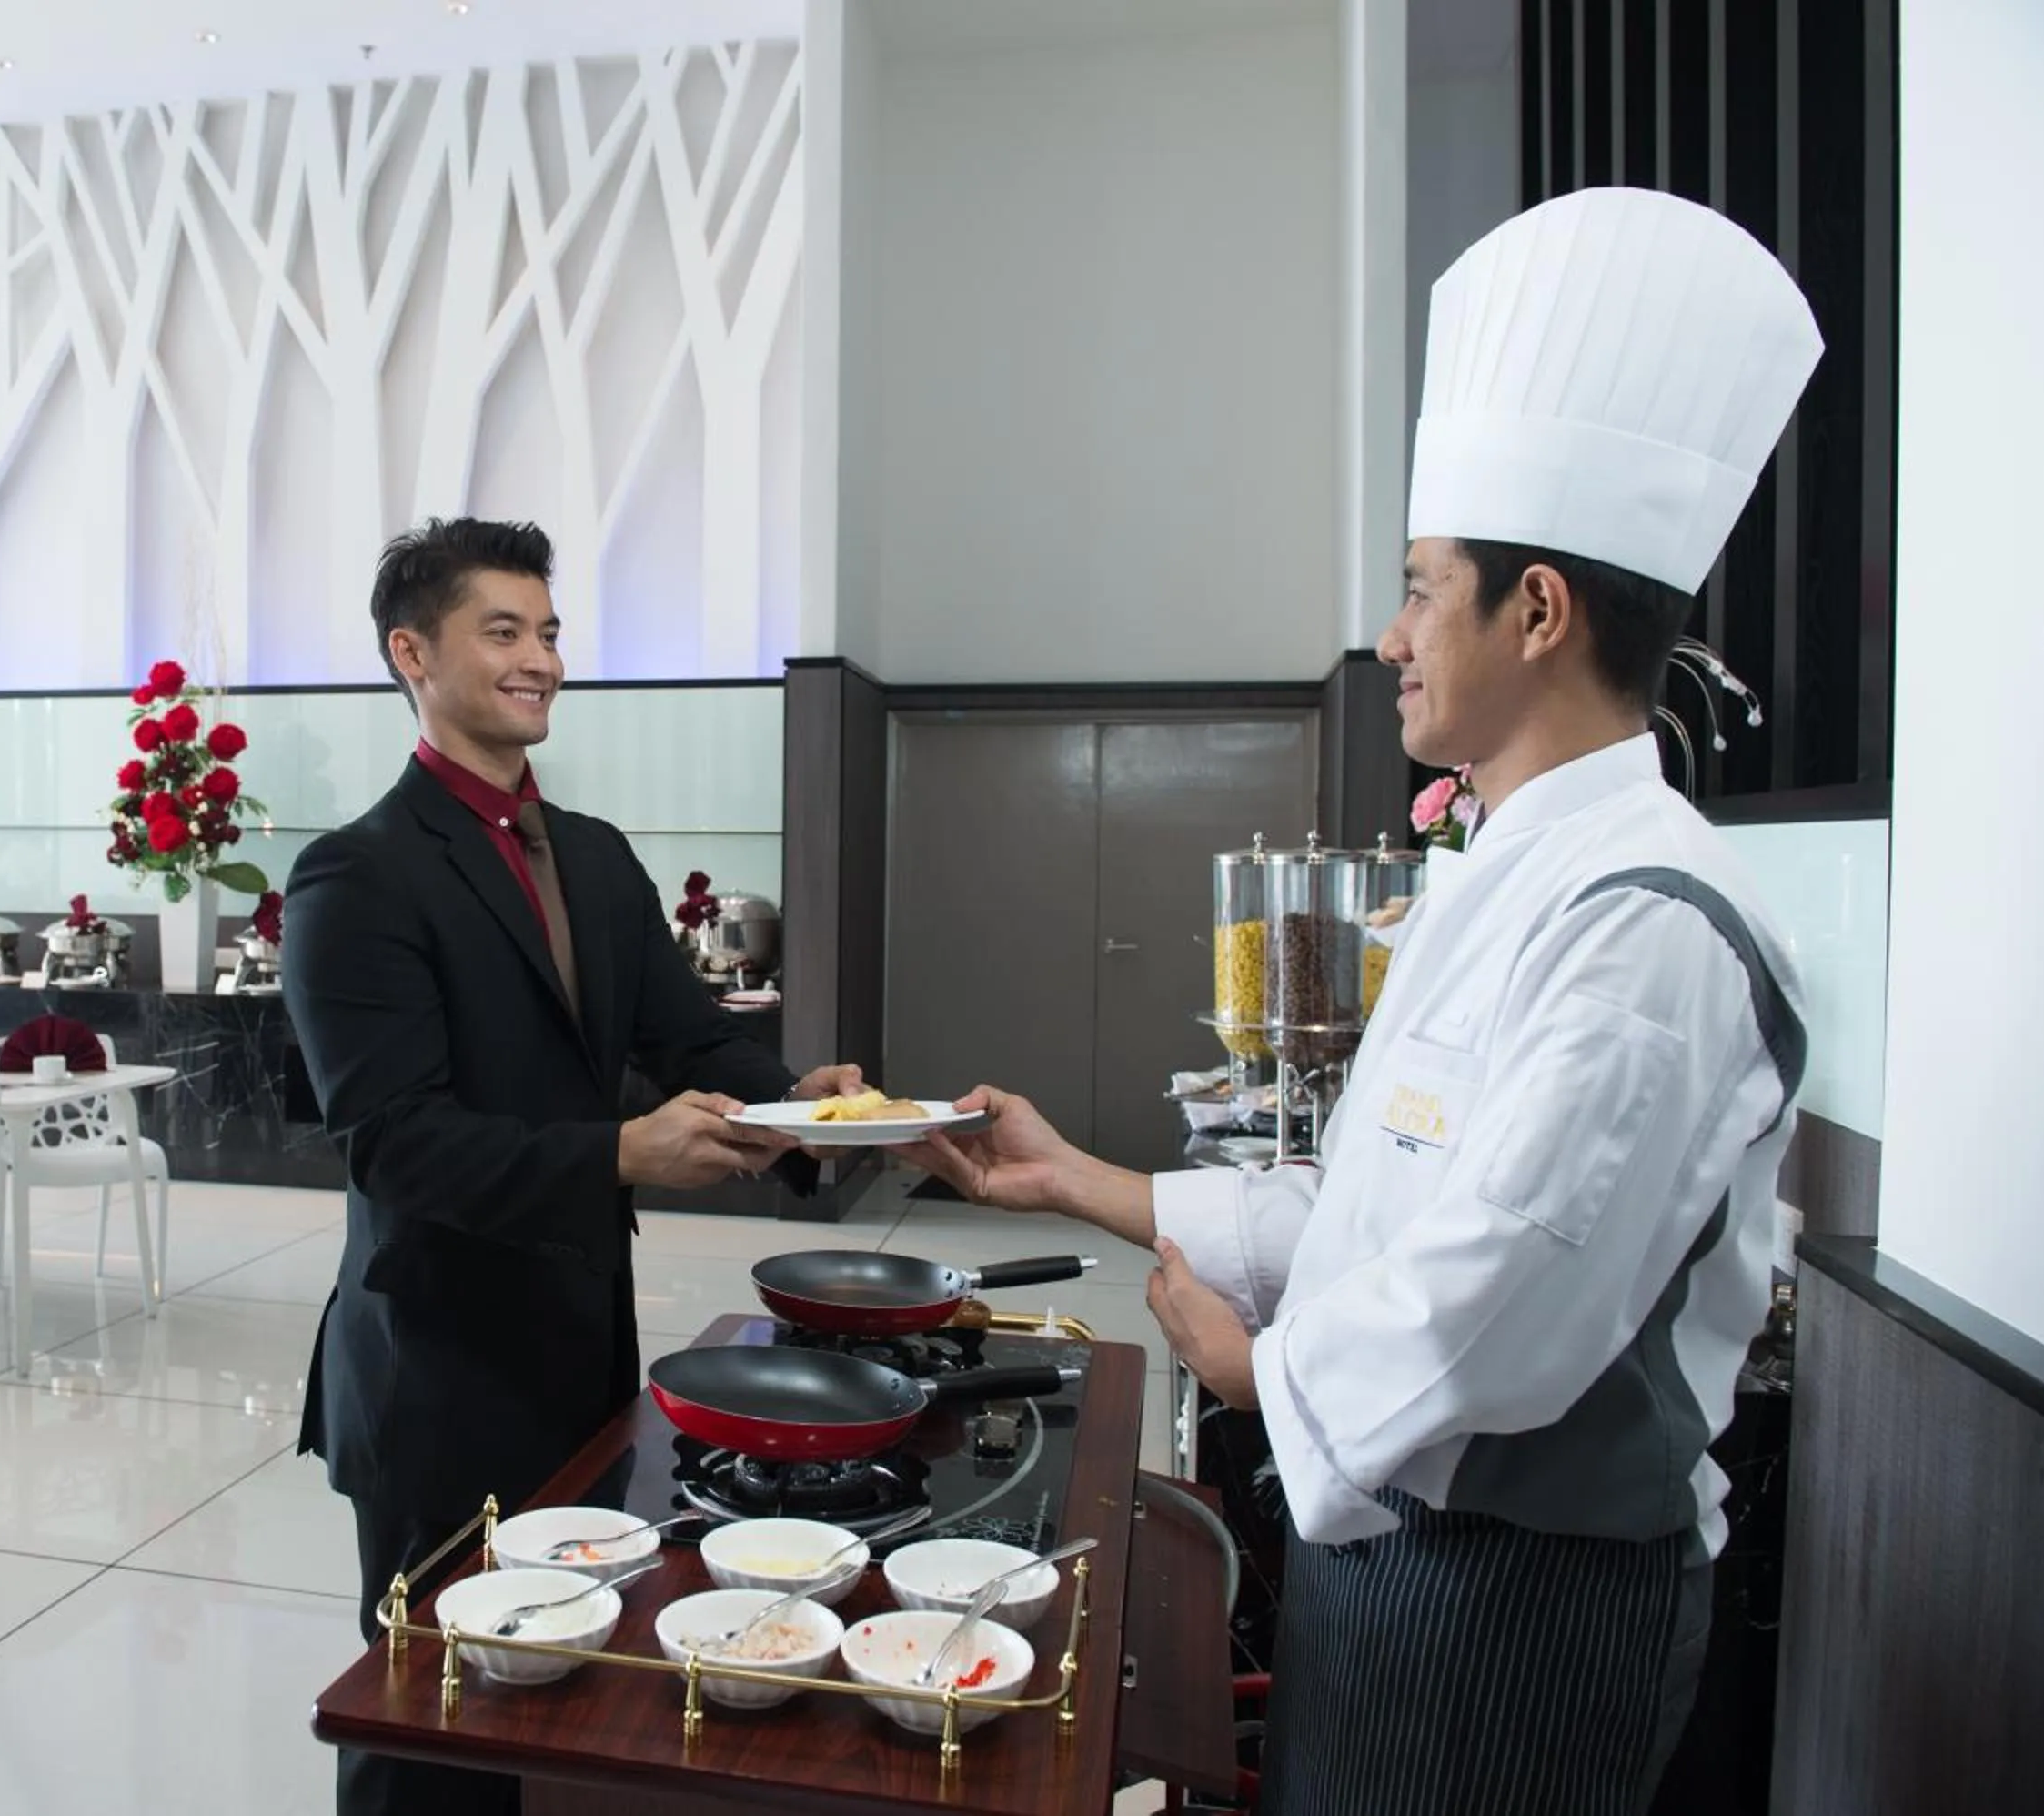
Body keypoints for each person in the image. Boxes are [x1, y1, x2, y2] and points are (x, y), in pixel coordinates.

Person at [914, 187, 1824, 1816]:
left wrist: (1257, 1375)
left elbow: (1497, 1301)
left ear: (1536, 610)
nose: (1393, 638)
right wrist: (1075, 1182)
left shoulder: (1651, 925)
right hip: (1400, 1545)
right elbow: (1371, 1208)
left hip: (1521, 1603)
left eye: (1419, 588)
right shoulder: (1499, 875)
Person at [282, 518, 862, 1816]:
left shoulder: (593, 854)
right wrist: (622, 1151)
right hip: (435, 1363)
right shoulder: (357, 875)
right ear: (412, 654)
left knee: (563, 1688)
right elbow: (393, 1141)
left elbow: (689, 1038)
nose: (541, 658)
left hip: (582, 1343)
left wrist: (808, 1107)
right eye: (504, 631)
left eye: (548, 632)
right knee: (432, 1708)